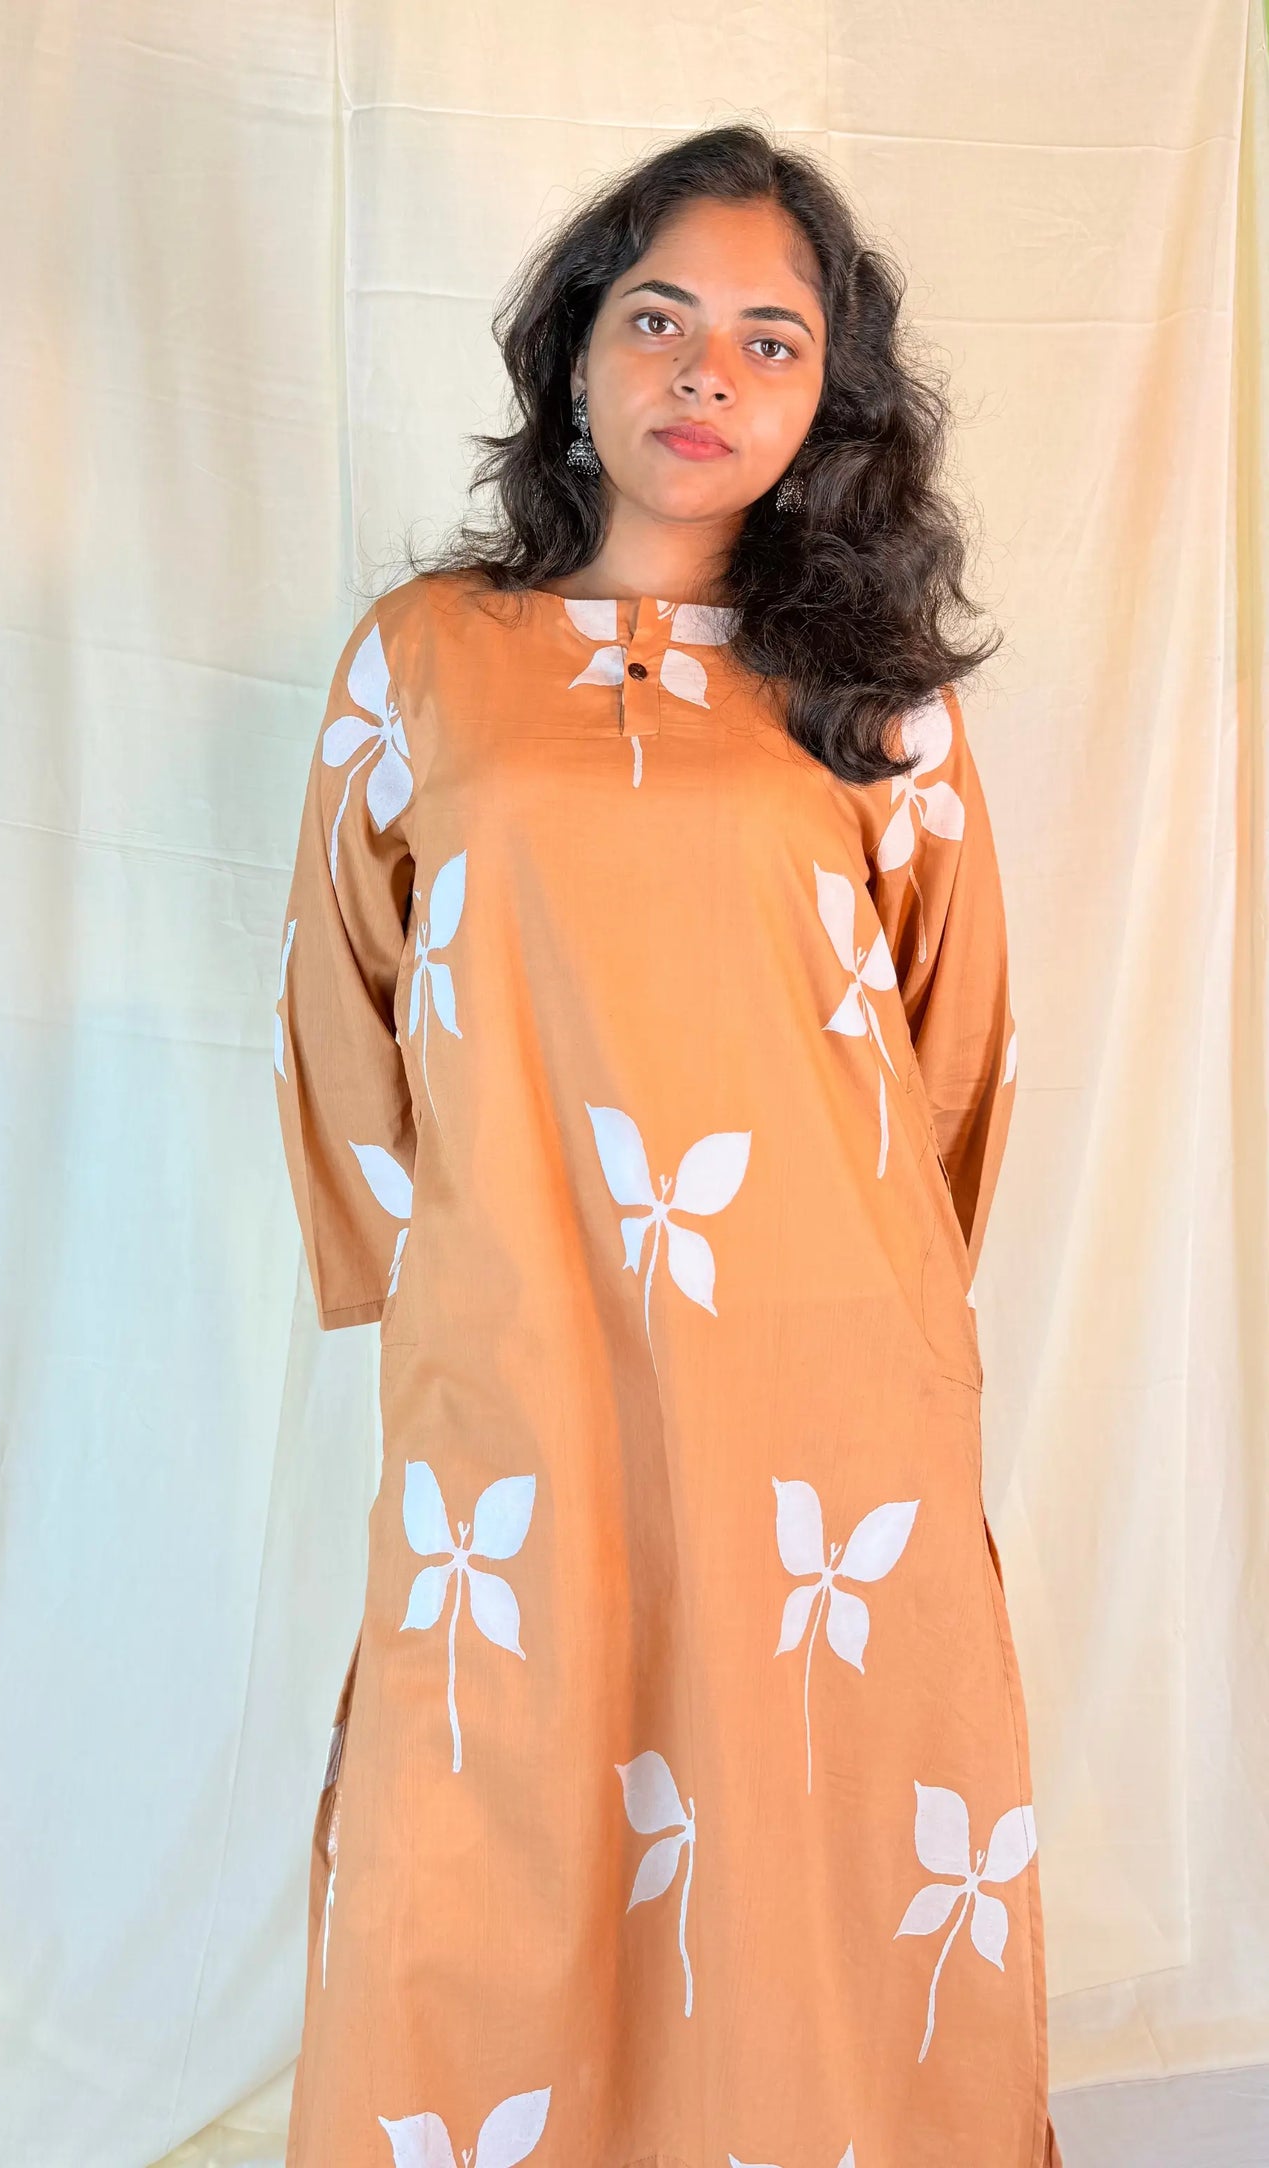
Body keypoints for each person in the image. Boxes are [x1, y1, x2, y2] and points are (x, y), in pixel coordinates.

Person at [273, 119, 1061, 2168]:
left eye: (772, 340)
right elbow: (343, 987)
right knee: (499, 1792)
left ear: (829, 403)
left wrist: (888, 1317)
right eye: (661, 319)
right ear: (579, 356)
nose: (708, 374)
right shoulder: (419, 660)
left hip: (817, 1377)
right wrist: (428, 1276)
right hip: (518, 1341)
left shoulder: (874, 701)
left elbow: (952, 1038)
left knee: (795, 1786)